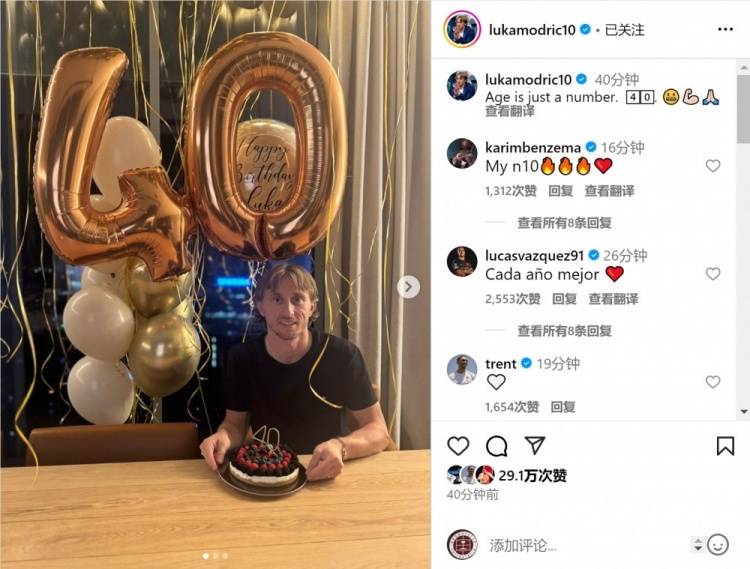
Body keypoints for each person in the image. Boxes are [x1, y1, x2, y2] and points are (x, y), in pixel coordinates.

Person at [200, 263, 391, 481]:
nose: (288, 311)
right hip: (268, 477)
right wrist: (223, 437)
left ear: (312, 307)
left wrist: (341, 446)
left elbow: (378, 431)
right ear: (261, 306)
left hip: (326, 473)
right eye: (277, 299)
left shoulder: (343, 355)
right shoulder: (242, 358)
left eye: (298, 299)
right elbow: (235, 425)